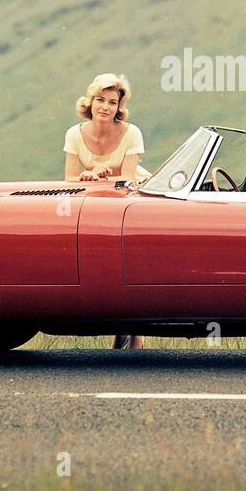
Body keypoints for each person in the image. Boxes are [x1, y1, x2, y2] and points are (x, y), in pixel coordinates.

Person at [63, 73, 146, 350]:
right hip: (93, 199)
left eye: (112, 102)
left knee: (129, 264)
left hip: (129, 199)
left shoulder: (131, 133)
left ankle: (133, 334)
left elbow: (130, 179)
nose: (105, 107)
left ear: (118, 107)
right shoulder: (74, 134)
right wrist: (90, 176)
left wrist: (100, 176)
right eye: (100, 99)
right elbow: (69, 180)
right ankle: (122, 330)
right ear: (90, 102)